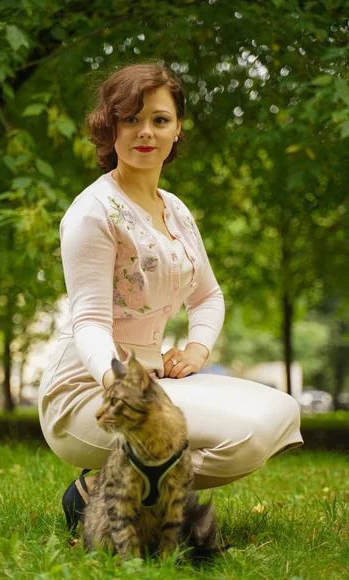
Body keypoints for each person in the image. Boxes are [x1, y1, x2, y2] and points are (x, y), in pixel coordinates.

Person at [38, 62, 303, 532]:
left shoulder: (176, 210)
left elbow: (209, 296)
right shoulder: (94, 212)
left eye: (159, 120)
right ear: (109, 126)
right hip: (91, 391)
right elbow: (90, 323)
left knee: (281, 413)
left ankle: (109, 490)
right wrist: (119, 383)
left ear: (177, 129)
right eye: (130, 119)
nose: (146, 132)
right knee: (249, 436)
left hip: (158, 376)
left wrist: (197, 349)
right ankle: (112, 494)